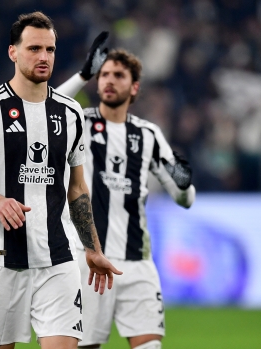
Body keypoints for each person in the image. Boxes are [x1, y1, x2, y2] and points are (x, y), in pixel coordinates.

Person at [0, 12, 122, 349]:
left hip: (57, 260)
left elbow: (77, 189)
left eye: (50, 49)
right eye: (34, 48)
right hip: (0, 260)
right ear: (13, 52)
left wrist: (92, 248)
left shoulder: (71, 112)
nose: (43, 56)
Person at [55, 48, 196, 349]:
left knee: (150, 346)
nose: (109, 80)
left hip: (137, 261)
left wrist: (184, 184)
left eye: (118, 75)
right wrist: (82, 74)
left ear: (134, 87)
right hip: (88, 259)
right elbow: (44, 107)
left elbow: (185, 198)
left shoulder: (149, 134)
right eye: (104, 74)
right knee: (85, 345)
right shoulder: (79, 122)